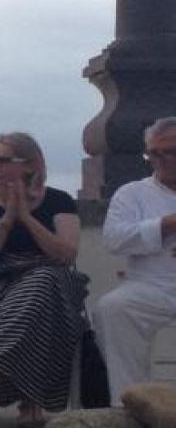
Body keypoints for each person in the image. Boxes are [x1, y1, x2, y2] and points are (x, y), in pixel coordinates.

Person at [0, 132, 86, 428]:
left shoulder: (59, 201)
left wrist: (27, 216)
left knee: (43, 283)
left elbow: (65, 255)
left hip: (49, 280)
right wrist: (7, 219)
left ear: (30, 164)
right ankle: (29, 401)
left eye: (2, 160)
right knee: (38, 299)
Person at [94, 117, 176, 405]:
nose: (163, 159)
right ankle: (129, 404)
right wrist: (165, 224)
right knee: (113, 309)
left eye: (172, 151)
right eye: (155, 153)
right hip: (151, 286)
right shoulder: (132, 194)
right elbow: (114, 239)